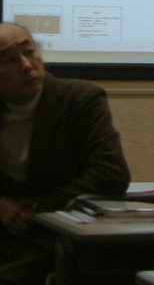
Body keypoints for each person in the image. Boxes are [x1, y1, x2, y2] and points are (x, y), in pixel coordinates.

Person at [0, 23, 130, 285]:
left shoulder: (81, 99)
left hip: (56, 236)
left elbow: (110, 174)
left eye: (29, 52)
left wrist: (38, 208)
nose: (26, 65)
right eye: (9, 60)